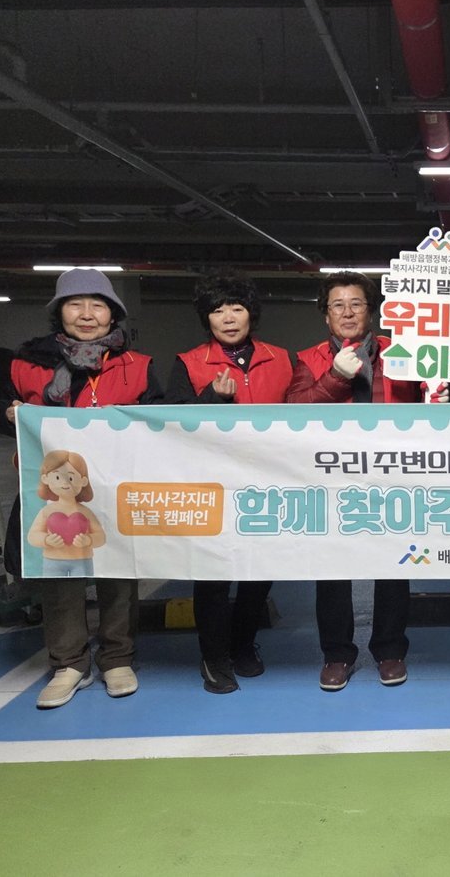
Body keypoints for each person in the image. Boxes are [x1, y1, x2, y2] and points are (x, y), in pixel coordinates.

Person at [0, 267, 162, 709]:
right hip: (55, 495)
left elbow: (157, 424)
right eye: (76, 304)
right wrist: (10, 414)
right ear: (60, 312)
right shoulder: (27, 363)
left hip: (117, 489)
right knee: (60, 577)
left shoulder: (138, 366)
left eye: (98, 305)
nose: (87, 314)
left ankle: (117, 658)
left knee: (118, 575)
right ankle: (68, 663)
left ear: (113, 314)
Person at [285, 272, 424, 691]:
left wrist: (437, 395)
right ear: (326, 316)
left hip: (392, 473)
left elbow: (420, 399)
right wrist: (334, 377)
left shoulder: (401, 352)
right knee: (332, 568)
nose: (347, 313)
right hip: (332, 478)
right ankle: (337, 654)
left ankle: (390, 649)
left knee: (395, 563)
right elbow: (294, 409)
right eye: (338, 305)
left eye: (356, 304)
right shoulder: (308, 359)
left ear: (371, 311)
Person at [166, 274, 295, 694]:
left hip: (267, 484)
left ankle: (242, 644)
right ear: (206, 318)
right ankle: (214, 657)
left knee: (260, 571)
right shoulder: (188, 362)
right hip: (213, 487)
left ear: (250, 314)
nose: (228, 317)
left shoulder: (281, 358)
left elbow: (303, 416)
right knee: (213, 576)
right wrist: (212, 399)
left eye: (236, 308)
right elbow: (173, 424)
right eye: (217, 310)